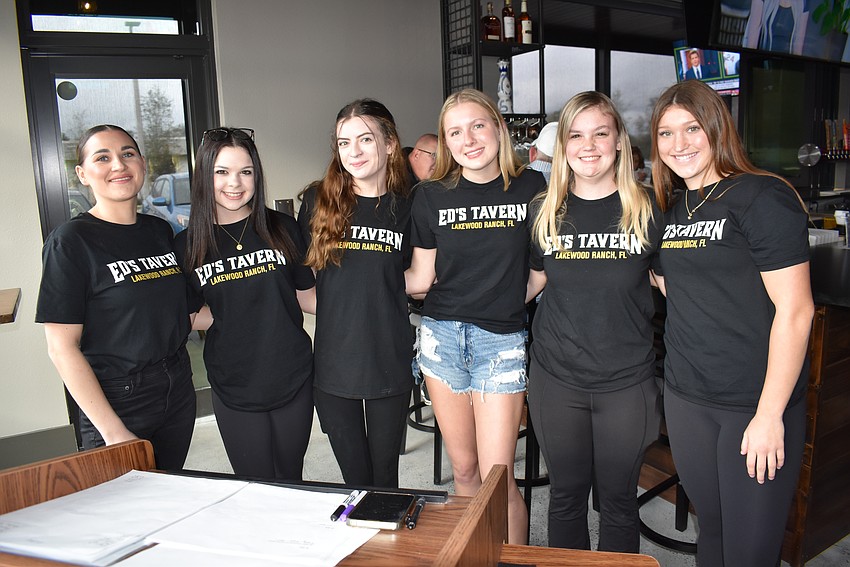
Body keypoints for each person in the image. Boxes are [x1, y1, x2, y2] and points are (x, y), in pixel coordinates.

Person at [650, 80, 813, 566]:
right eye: (665, 133)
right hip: (686, 396)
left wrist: (769, 416)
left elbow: (796, 311)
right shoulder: (674, 207)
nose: (679, 145)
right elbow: (671, 280)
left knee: (750, 552)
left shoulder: (761, 196)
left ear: (717, 127)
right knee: (713, 533)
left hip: (752, 403)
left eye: (692, 128)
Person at [405, 88, 546, 544]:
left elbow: (540, 272)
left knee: (496, 480)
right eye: (455, 132)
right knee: (464, 470)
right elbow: (422, 277)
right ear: (446, 143)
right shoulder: (429, 196)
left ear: (499, 129)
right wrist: (357, 279)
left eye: (478, 125)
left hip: (500, 343)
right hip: (441, 339)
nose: (469, 139)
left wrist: (502, 301)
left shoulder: (531, 188)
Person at [525, 92, 662, 553]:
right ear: (562, 146)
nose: (588, 145)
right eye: (576, 135)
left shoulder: (648, 211)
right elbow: (531, 282)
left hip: (626, 382)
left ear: (619, 141)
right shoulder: (543, 211)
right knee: (565, 499)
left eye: (600, 133)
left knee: (620, 503)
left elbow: (678, 289)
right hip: (556, 378)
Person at [36, 124, 196, 470]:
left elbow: (179, 312)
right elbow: (61, 347)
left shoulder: (159, 230)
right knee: (120, 514)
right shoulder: (71, 242)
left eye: (127, 154)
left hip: (176, 387)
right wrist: (113, 432)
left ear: (142, 165)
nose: (119, 165)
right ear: (82, 174)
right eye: (102, 157)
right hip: (117, 397)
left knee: (169, 492)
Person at [176, 127, 315, 481]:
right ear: (205, 177)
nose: (234, 183)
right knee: (255, 485)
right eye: (221, 172)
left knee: (290, 477)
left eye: (245, 171)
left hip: (292, 376)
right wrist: (235, 316)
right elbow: (191, 315)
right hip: (234, 380)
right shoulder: (188, 244)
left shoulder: (282, 227)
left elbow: (306, 296)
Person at [298, 99, 414, 488]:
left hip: (389, 359)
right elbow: (302, 286)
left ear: (390, 144)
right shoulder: (318, 202)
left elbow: (419, 279)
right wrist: (339, 314)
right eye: (344, 143)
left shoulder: (409, 207)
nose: (354, 152)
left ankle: (391, 549)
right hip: (334, 365)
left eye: (365, 139)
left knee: (385, 478)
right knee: (354, 480)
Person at [743, 0, 808, 56]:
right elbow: (751, 45)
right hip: (762, 61)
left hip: (786, 65)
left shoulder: (803, 3)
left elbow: (797, 49)